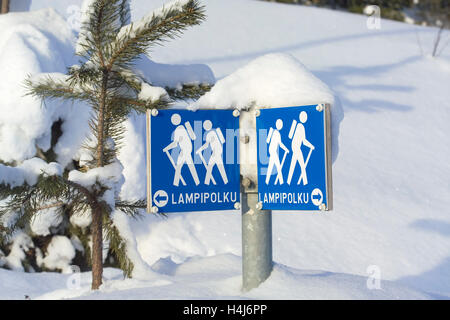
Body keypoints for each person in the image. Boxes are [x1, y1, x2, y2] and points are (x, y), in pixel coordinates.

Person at [163, 113, 200, 186]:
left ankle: (176, 184)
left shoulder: (178, 130)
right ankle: (197, 182)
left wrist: (166, 148)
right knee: (188, 166)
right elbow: (193, 138)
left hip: (185, 150)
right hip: (187, 149)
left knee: (180, 166)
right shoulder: (184, 127)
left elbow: (175, 143)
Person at [196, 120, 228, 185]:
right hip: (218, 150)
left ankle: (206, 183)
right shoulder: (215, 131)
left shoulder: (209, 134)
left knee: (211, 166)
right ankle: (225, 181)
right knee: (219, 166)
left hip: (216, 151)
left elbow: (206, 145)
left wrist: (199, 149)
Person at [287, 111, 314, 185]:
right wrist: (311, 146)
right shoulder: (300, 126)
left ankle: (289, 181)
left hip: (295, 147)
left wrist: (310, 146)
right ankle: (305, 182)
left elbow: (303, 141)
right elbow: (304, 141)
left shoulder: (299, 126)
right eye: (305, 117)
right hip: (296, 148)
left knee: (294, 164)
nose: (305, 119)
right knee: (301, 164)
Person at [266, 119, 289, 185]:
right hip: (273, 151)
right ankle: (281, 182)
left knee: (271, 166)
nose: (281, 126)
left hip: (271, 150)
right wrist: (286, 149)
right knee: (278, 166)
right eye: (280, 124)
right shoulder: (277, 133)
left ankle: (267, 181)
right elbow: (280, 144)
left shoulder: (274, 132)